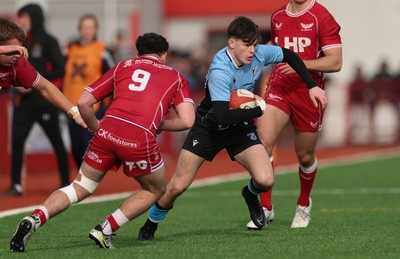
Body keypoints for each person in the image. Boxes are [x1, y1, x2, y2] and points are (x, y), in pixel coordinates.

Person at [137, 16, 327, 240]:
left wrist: (312, 86)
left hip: (239, 127)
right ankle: (150, 224)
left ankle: (249, 194)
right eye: (247, 44)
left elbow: (290, 55)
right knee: (177, 187)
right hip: (209, 127)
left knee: (266, 180)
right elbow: (223, 115)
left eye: (255, 44)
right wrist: (258, 110)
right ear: (232, 43)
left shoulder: (259, 53)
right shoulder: (220, 70)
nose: (252, 50)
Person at [9, 32, 195, 252]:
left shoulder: (122, 66)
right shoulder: (175, 76)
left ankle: (34, 218)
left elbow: (84, 101)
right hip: (139, 136)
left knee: (80, 186)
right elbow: (187, 120)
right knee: (155, 189)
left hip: (106, 130)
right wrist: (160, 125)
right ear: (164, 55)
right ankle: (106, 229)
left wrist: (95, 126)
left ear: (137, 53)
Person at [246, 0, 342, 230]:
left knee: (305, 156)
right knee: (263, 144)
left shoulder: (322, 16)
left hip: (309, 92)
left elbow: (336, 61)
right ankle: (266, 208)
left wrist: (300, 64)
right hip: (279, 87)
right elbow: (274, 45)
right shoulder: (278, 15)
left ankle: (303, 204)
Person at [4, 3, 71, 196]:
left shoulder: (49, 41)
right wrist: (16, 84)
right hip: (22, 103)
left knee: (57, 142)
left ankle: (66, 183)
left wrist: (33, 80)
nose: (21, 21)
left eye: (24, 17)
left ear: (35, 17)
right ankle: (16, 185)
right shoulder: (18, 42)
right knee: (17, 142)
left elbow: (60, 68)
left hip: (43, 101)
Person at [0, 16, 85, 147]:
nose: (16, 55)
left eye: (19, 50)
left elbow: (45, 88)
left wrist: (75, 113)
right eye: (11, 51)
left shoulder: (18, 64)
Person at [62, 13, 115, 168]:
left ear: (95, 30)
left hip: (92, 106)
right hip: (70, 105)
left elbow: (113, 77)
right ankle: (82, 177)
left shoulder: (102, 50)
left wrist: (109, 105)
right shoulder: (69, 49)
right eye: (84, 27)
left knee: (88, 145)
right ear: (80, 29)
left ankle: (88, 178)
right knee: (75, 146)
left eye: (90, 27)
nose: (86, 30)